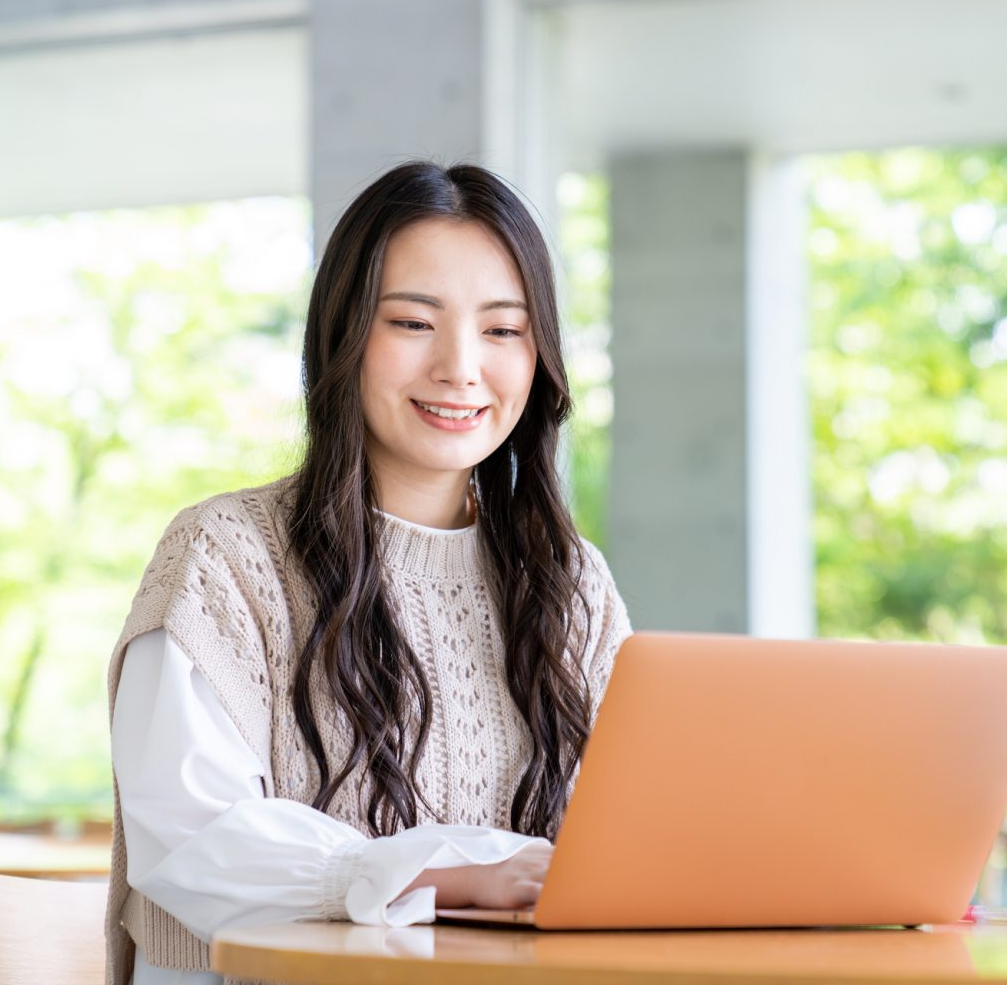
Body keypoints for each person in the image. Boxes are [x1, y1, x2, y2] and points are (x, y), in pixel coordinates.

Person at [104, 162, 631, 985]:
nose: (461, 367)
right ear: (342, 336)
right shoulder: (227, 556)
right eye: (414, 322)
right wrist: (445, 874)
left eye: (503, 330)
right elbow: (190, 841)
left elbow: (631, 830)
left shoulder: (571, 581)